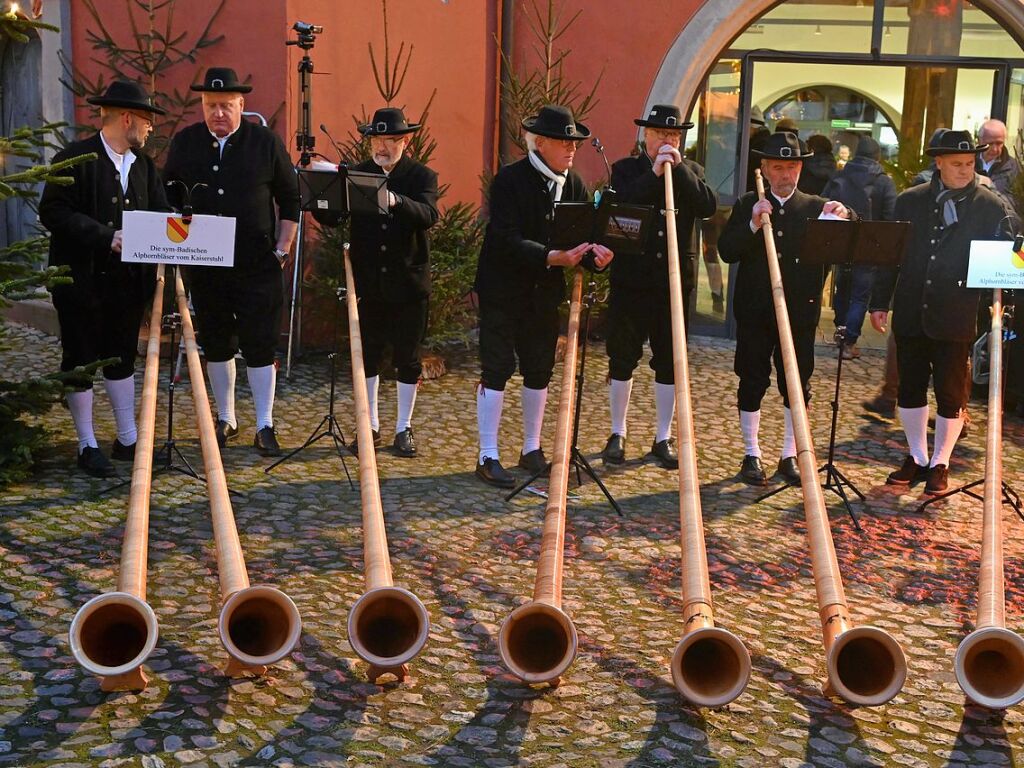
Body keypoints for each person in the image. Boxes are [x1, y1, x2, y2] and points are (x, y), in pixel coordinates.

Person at [869, 130, 1016, 496]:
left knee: (951, 395)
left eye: (969, 164)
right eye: (957, 165)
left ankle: (941, 463)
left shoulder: (991, 206)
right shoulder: (909, 201)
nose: (965, 171)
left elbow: (1011, 256)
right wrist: (878, 302)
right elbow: (891, 256)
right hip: (912, 308)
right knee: (911, 389)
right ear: (939, 163)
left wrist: (1004, 298)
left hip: (957, 313)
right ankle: (918, 457)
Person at [473, 105, 613, 488]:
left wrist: (597, 258)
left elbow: (579, 240)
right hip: (503, 288)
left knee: (539, 369)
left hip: (544, 294)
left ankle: (531, 448)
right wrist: (550, 256)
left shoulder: (576, 185)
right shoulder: (510, 180)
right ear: (542, 142)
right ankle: (488, 454)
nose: (572, 149)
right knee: (497, 368)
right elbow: (504, 238)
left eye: (575, 142)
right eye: (564, 142)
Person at [164, 67, 299, 457]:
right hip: (206, 265)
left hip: (259, 262)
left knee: (260, 343)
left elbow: (290, 200)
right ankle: (226, 417)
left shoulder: (265, 143)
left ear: (241, 105)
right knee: (217, 341)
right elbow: (167, 195)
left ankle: (264, 423)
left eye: (226, 105)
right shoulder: (186, 143)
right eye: (210, 105)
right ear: (202, 107)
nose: (218, 112)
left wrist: (282, 249)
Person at [39, 80, 169, 478]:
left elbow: (160, 213)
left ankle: (128, 439)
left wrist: (185, 231)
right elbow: (53, 212)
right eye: (146, 120)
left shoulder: (144, 165)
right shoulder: (74, 157)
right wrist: (104, 236)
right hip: (80, 281)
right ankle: (86, 444)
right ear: (127, 118)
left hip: (128, 284)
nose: (150, 129)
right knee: (80, 360)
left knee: (122, 358)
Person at [718, 132, 853, 486]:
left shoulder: (814, 207)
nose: (785, 174)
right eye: (778, 167)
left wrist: (845, 213)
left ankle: (789, 455)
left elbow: (847, 237)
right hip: (755, 311)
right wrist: (751, 223)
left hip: (798, 314)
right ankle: (751, 454)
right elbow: (727, 251)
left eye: (792, 166)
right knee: (752, 381)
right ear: (764, 168)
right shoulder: (748, 202)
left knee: (797, 384)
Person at [601, 104, 717, 468]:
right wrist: (654, 174)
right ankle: (617, 432)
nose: (667, 141)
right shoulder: (625, 170)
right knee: (622, 357)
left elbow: (707, 206)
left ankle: (662, 437)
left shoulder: (691, 171)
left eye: (674, 136)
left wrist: (679, 169)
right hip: (631, 281)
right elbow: (619, 206)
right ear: (645, 137)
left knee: (668, 362)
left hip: (672, 284)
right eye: (661, 135)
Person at [346, 107, 439, 458]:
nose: (381, 147)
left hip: (408, 283)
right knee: (368, 355)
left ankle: (404, 427)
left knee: (408, 357)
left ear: (405, 141)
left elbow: (429, 215)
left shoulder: (421, 176)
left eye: (389, 140)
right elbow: (333, 215)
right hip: (370, 282)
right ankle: (368, 425)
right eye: (375, 139)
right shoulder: (359, 173)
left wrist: (397, 200)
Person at [822, 136, 897, 360]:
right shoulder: (884, 182)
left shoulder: (839, 175)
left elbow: (824, 205)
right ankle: (850, 341)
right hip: (869, 245)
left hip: (842, 242)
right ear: (877, 156)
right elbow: (891, 217)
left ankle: (841, 331)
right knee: (860, 295)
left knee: (842, 289)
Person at [976, 119, 1020, 204]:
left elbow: (1017, 203)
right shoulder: (968, 163)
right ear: (979, 141)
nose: (995, 149)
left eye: (999, 143)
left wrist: (992, 190)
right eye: (990, 143)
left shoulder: (1014, 168)